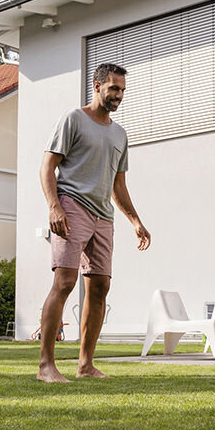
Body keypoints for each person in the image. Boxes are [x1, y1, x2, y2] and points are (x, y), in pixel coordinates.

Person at [37, 63, 151, 383]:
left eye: (123, 90)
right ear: (97, 85)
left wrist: (135, 221)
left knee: (100, 288)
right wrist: (54, 207)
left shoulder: (119, 134)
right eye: (114, 88)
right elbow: (47, 167)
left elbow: (118, 185)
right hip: (72, 207)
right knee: (65, 282)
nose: (119, 95)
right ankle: (46, 366)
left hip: (104, 216)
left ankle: (85, 365)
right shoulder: (73, 119)